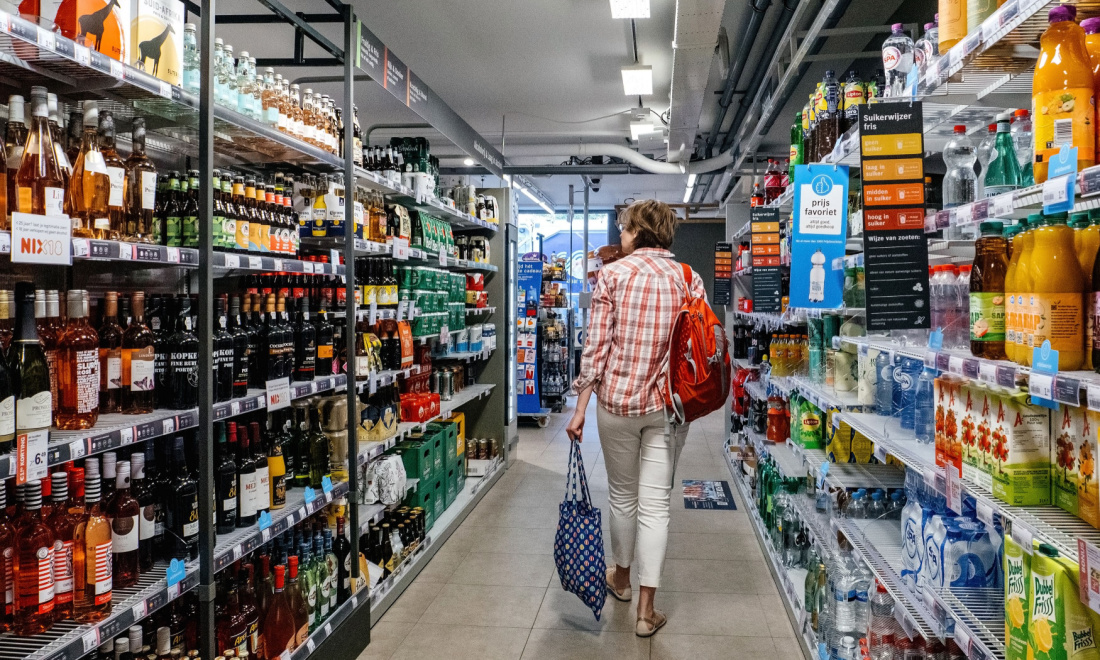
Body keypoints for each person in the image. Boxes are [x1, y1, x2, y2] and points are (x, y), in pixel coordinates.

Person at [566, 199, 705, 638]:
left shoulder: (612, 275)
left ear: (640, 232)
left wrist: (581, 408)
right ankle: (647, 611)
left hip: (617, 406)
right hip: (667, 409)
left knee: (623, 498)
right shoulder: (688, 279)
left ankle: (620, 580)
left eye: (625, 229)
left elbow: (596, 349)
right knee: (656, 506)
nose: (621, 236)